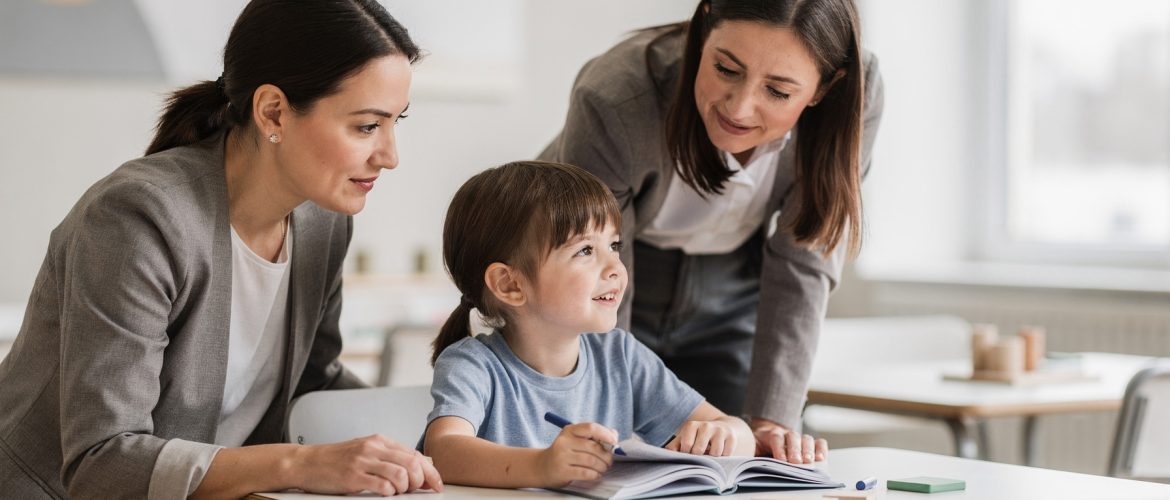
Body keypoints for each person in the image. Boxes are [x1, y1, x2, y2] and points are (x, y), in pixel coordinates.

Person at [0, 1, 442, 498]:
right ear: (273, 110)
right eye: (366, 126)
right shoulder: (137, 217)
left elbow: (311, 385)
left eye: (396, 121)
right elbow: (102, 460)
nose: (390, 156)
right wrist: (298, 464)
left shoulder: (324, 221)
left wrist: (446, 432)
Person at [538, 0, 884, 464]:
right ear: (703, 32)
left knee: (740, 462)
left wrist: (772, 419)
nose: (739, 107)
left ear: (825, 87)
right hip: (610, 276)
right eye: (725, 68)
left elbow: (805, 258)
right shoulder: (618, 97)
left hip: (733, 285)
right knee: (604, 457)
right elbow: (591, 268)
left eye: (778, 92)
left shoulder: (856, 96)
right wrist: (602, 423)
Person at [421, 161, 755, 488]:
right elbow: (445, 451)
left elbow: (738, 434)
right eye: (585, 250)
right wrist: (543, 465)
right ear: (510, 285)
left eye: (614, 246)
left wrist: (725, 433)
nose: (615, 267)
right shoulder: (472, 364)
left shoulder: (621, 356)